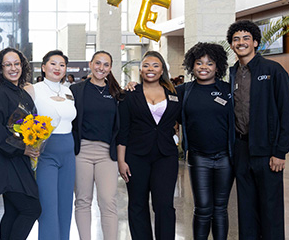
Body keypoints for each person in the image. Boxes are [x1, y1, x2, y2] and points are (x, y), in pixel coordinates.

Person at [226, 20, 289, 240]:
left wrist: (280, 151)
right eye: (236, 39)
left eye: (246, 38)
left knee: (270, 209)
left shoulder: (273, 70)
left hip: (268, 152)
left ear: (255, 42)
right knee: (246, 209)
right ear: (232, 45)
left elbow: (287, 112)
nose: (241, 42)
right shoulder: (231, 74)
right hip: (241, 150)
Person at [118, 51, 182, 240]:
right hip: (136, 155)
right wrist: (121, 160)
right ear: (140, 70)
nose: (150, 69)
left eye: (155, 65)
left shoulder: (175, 93)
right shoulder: (129, 94)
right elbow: (123, 130)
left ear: (162, 69)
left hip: (166, 155)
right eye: (146, 65)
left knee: (164, 204)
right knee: (137, 204)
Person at [175, 43, 234, 240]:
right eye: (199, 63)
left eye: (209, 63)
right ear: (192, 66)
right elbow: (155, 93)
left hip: (225, 158)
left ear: (218, 67)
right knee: (202, 208)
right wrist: (134, 86)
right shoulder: (183, 91)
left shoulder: (227, 90)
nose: (204, 67)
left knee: (220, 208)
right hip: (198, 157)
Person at [0, 47, 41, 240]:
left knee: (13, 212)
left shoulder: (23, 93)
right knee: (31, 209)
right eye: (8, 65)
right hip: (5, 161)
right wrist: (23, 149)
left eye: (16, 64)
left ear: (22, 66)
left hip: (19, 160)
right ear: (0, 69)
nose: (13, 68)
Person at [71, 50, 125, 239]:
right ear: (91, 64)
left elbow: (121, 127)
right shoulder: (76, 90)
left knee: (108, 201)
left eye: (106, 64)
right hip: (82, 152)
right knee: (83, 201)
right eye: (98, 63)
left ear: (110, 68)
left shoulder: (117, 93)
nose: (101, 68)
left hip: (106, 154)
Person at [29, 50, 77, 240]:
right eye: (53, 64)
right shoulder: (33, 89)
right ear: (43, 67)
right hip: (46, 152)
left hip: (68, 151)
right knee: (48, 206)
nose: (57, 68)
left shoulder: (68, 91)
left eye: (62, 65)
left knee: (65, 205)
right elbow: (21, 118)